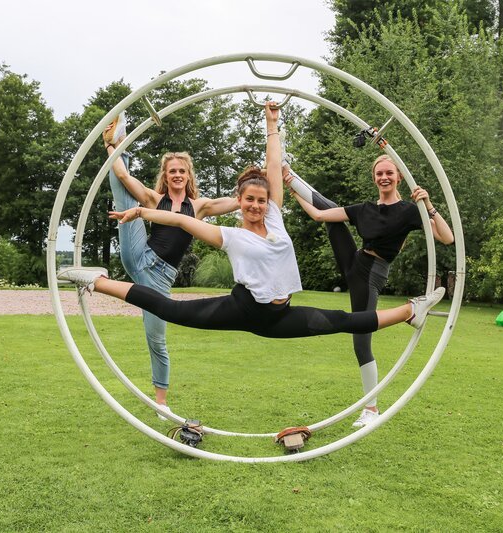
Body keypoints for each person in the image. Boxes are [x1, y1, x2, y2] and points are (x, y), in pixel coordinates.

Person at [60, 103, 445, 382]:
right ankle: (95, 281)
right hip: (243, 308)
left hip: (279, 317)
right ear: (240, 204)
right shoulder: (229, 234)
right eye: (250, 201)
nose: (257, 205)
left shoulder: (275, 215)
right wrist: (142, 213)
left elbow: (273, 166)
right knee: (170, 310)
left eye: (262, 200)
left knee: (345, 322)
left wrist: (272, 123)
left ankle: (413, 310)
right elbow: (180, 218)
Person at [283, 155, 454, 427]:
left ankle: (371, 408)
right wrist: (292, 191)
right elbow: (318, 215)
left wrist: (429, 206)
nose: (383, 177)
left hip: (371, 273)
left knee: (361, 341)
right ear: (374, 178)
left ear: (398, 177)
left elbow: (447, 237)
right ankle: (287, 174)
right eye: (379, 174)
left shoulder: (410, 211)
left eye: (389, 173)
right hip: (354, 261)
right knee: (332, 213)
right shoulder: (364, 209)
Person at [102, 113, 238, 418]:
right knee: (126, 197)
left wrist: (261, 183)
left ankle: (161, 400)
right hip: (139, 254)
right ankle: (116, 142)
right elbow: (124, 178)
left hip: (160, 278)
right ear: (166, 174)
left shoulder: (198, 207)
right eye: (172, 171)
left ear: (188, 175)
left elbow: (236, 201)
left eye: (181, 171)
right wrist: (111, 151)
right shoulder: (154, 199)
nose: (177, 175)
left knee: (156, 339)